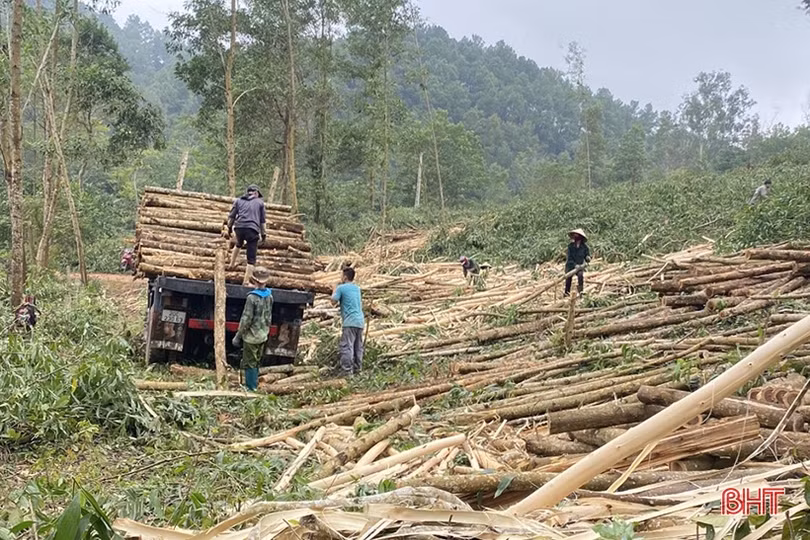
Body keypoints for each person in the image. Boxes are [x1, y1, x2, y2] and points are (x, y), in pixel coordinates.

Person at [232, 266, 274, 391]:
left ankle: (251, 388)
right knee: (256, 361)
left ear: (254, 281)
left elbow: (246, 319)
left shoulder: (252, 298)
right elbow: (268, 317)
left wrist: (238, 336)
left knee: (249, 362)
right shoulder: (269, 296)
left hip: (251, 337)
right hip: (262, 335)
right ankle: (253, 385)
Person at [227, 184, 267, 285]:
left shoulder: (238, 200)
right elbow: (262, 221)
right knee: (251, 258)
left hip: (239, 227)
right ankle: (246, 282)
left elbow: (231, 217)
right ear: (256, 193)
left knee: (239, 243)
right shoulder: (260, 203)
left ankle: (231, 265)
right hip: (252, 229)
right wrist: (263, 235)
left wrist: (229, 228)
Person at [331, 266, 365, 377]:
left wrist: (334, 289)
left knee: (347, 346)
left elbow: (333, 302)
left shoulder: (342, 288)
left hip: (350, 322)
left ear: (345, 277)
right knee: (358, 347)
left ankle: (347, 371)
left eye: (341, 275)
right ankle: (358, 370)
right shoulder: (357, 288)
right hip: (360, 322)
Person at [564, 229, 590, 297]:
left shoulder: (584, 247)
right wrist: (575, 265)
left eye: (577, 236)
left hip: (580, 266)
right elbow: (569, 258)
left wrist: (588, 258)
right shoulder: (570, 247)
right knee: (568, 279)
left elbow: (587, 255)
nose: (576, 237)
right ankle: (566, 293)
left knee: (580, 276)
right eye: (575, 236)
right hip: (570, 266)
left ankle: (581, 293)